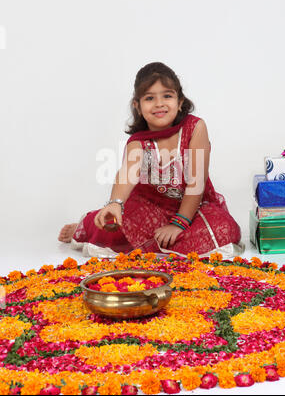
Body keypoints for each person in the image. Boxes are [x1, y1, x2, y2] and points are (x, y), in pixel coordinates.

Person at [58, 62, 244, 258]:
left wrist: (178, 223)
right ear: (137, 106)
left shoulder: (195, 128)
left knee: (223, 229)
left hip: (192, 208)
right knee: (109, 226)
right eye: (149, 98)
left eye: (167, 96)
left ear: (180, 101)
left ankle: (169, 237)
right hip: (149, 210)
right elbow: (127, 175)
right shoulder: (139, 142)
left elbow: (196, 182)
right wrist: (115, 203)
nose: (159, 104)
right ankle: (83, 226)